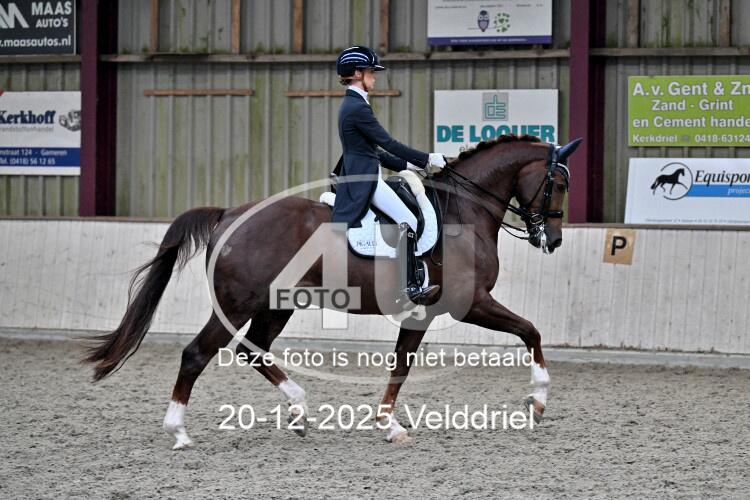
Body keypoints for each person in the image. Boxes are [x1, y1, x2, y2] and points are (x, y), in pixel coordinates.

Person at [332, 45, 445, 308]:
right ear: (357, 74)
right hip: (366, 180)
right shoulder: (357, 107)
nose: (374, 77)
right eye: (371, 72)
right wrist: (426, 158)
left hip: (366, 172)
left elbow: (374, 152)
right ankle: (410, 287)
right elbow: (388, 143)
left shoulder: (354, 104)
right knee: (409, 221)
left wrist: (408, 164)